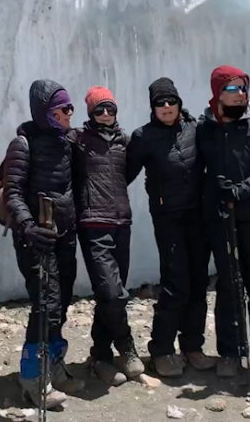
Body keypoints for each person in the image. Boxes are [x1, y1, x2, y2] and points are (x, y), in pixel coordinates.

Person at [196, 66, 250, 379]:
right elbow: (197, 171)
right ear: (218, 92)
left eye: (243, 88)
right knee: (228, 284)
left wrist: (239, 191)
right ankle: (230, 352)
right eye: (232, 89)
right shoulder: (204, 128)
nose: (240, 94)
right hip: (221, 218)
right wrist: (214, 198)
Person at [4, 79, 85, 408]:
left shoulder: (67, 141)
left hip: (64, 235)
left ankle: (53, 365)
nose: (69, 114)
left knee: (61, 302)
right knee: (44, 306)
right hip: (36, 239)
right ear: (46, 112)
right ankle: (32, 377)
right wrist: (27, 227)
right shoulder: (23, 144)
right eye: (63, 109)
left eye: (70, 108)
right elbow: (12, 193)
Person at [126, 77, 211, 378]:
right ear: (152, 107)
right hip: (168, 217)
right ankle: (161, 349)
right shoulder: (143, 137)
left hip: (198, 215)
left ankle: (192, 346)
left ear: (179, 103)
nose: (166, 107)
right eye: (160, 103)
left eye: (171, 101)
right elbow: (123, 174)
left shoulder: (195, 129)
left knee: (199, 281)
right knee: (175, 283)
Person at [68, 86, 145, 386]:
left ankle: (100, 356)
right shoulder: (78, 140)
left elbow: (129, 173)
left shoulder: (124, 142)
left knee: (111, 293)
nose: (105, 114)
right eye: (99, 109)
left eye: (109, 108)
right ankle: (126, 346)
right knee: (113, 293)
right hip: (92, 224)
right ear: (90, 113)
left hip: (121, 222)